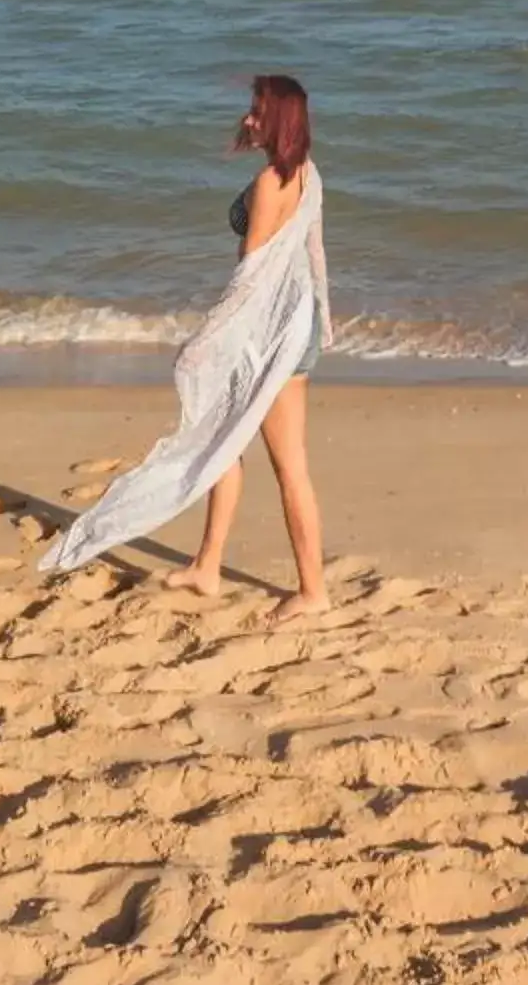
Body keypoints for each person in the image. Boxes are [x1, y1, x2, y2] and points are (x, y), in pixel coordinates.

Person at [36, 72, 334, 620]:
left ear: (279, 121)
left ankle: (312, 591)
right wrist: (319, 323)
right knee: (220, 438)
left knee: (288, 465)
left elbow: (251, 276)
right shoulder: (309, 176)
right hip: (293, 324)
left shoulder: (273, 183)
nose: (248, 119)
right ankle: (208, 566)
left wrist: (206, 342)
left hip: (268, 333)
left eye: (257, 112)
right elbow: (309, 255)